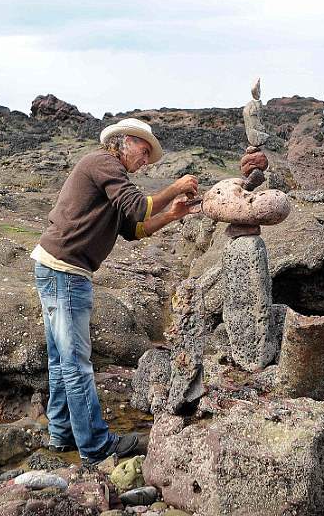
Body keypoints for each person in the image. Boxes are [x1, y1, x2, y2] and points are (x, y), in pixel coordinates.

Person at [31, 118, 199, 464]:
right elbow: (138, 208)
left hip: (57, 266)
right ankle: (95, 446)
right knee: (76, 362)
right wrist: (175, 186)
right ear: (124, 141)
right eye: (144, 150)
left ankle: (61, 434)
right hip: (64, 270)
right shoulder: (102, 162)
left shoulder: (112, 177)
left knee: (62, 358)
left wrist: (172, 215)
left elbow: (133, 229)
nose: (146, 159)